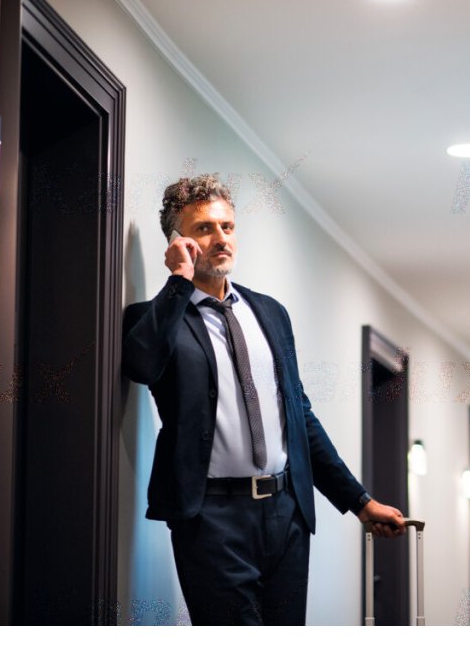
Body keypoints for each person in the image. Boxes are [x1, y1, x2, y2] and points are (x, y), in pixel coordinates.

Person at [123, 173, 405, 625]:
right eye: (204, 229)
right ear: (178, 242)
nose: (221, 238)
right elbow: (141, 365)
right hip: (211, 518)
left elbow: (300, 418)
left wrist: (359, 501)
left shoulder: (270, 313)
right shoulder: (156, 318)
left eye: (227, 226)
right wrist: (179, 280)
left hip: (285, 514)